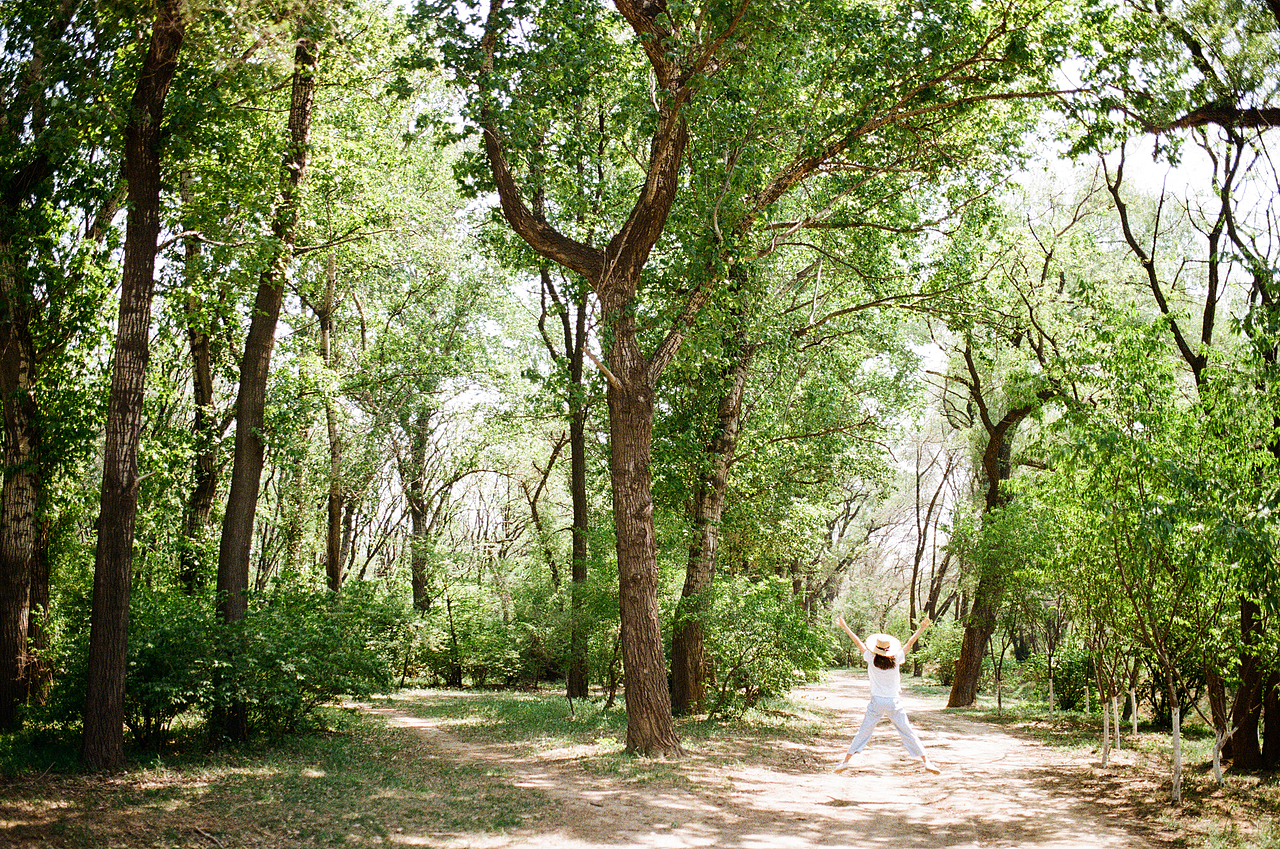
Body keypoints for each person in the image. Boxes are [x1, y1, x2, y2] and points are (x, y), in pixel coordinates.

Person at [834, 615, 940, 775]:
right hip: (894, 702)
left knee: (864, 731)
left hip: (876, 702)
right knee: (907, 731)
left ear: (876, 649)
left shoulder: (871, 659)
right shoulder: (896, 659)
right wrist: (922, 628)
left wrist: (845, 626)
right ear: (889, 649)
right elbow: (910, 643)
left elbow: (858, 642)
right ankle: (927, 762)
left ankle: (845, 762)